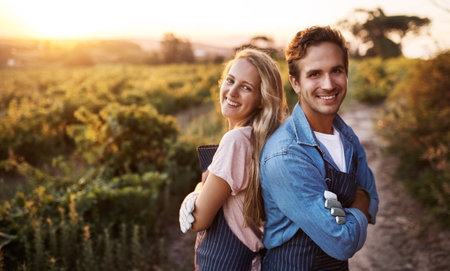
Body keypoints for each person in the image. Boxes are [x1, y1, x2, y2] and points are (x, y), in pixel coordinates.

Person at [259, 26, 379, 270]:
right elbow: (342, 242)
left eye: (336, 71)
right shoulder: (286, 154)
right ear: (296, 83)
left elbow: (373, 198)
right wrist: (359, 203)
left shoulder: (346, 136)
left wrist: (363, 200)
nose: (328, 84)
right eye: (314, 74)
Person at [179, 48, 288, 270]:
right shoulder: (260, 139)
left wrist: (194, 195)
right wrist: (201, 188)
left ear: (261, 99)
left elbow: (199, 220)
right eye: (230, 80)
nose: (232, 92)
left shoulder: (236, 141)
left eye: (246, 87)